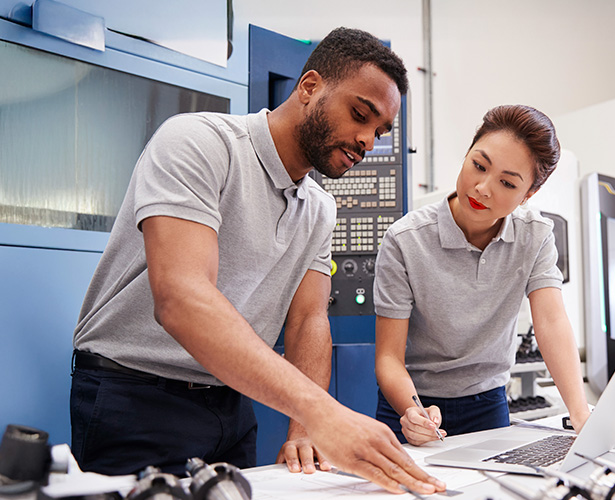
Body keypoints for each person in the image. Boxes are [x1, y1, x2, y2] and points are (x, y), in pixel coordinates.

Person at [71, 27, 444, 495]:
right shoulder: (200, 143)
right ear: (309, 88)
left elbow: (309, 319)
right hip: (134, 398)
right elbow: (182, 298)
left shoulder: (319, 207)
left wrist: (304, 427)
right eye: (360, 114)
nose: (368, 140)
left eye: (379, 131)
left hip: (230, 405)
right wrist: (323, 412)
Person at [373, 104, 591, 446]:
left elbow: (551, 322)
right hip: (412, 401)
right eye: (478, 166)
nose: (483, 188)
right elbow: (388, 357)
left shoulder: (535, 236)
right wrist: (412, 410)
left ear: (528, 195)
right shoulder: (405, 239)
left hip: (487, 404)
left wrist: (580, 414)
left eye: (507, 182)